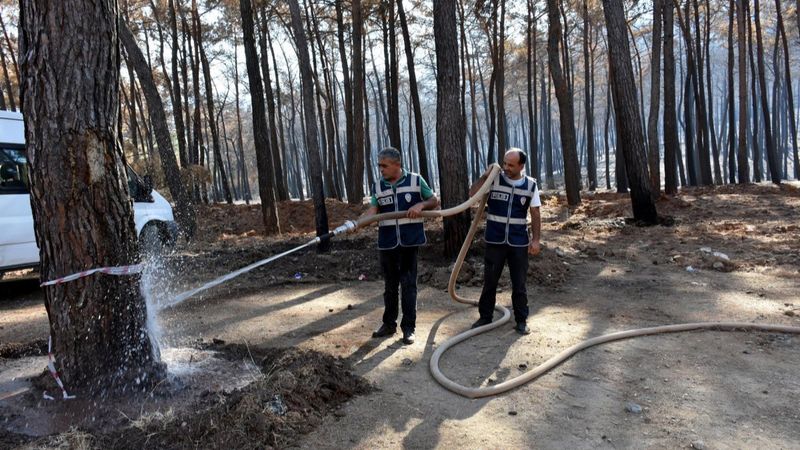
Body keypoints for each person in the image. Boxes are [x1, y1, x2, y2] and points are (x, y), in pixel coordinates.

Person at [360, 147, 439, 345]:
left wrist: (420, 205)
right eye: (379, 165)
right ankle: (388, 324)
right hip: (387, 244)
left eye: (384, 165)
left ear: (397, 164)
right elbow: (373, 210)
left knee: (408, 285)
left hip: (409, 242)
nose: (381, 169)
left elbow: (434, 200)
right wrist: (357, 223)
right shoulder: (378, 185)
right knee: (390, 287)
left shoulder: (415, 180)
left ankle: (408, 328)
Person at [469, 148, 541, 335]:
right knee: (490, 281)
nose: (506, 167)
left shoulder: (531, 185)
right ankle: (485, 317)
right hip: (495, 240)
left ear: (521, 166)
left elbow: (535, 213)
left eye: (511, 164)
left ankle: (521, 320)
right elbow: (472, 194)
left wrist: (536, 240)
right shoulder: (494, 179)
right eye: (505, 163)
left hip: (518, 243)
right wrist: (485, 176)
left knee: (519, 284)